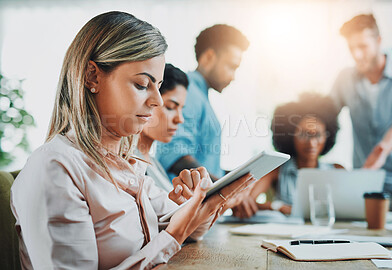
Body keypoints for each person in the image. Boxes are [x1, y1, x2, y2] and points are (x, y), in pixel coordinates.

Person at [10, 12, 254, 269]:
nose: (157, 101)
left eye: (158, 86)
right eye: (141, 84)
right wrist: (173, 236)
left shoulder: (128, 168)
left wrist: (203, 202)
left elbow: (194, 231)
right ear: (92, 77)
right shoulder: (55, 168)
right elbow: (177, 234)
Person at [156, 24, 250, 181]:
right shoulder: (189, 92)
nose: (233, 77)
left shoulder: (199, 95)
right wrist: (220, 186)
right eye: (231, 67)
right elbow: (174, 154)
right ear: (208, 57)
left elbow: (203, 163)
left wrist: (234, 179)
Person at [233, 93, 342, 217]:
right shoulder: (277, 170)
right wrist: (276, 207)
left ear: (327, 136)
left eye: (317, 135)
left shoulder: (337, 170)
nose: (311, 143)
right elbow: (245, 201)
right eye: (303, 134)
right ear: (290, 136)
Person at [330, 14, 392, 196]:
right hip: (365, 186)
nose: (356, 54)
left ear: (378, 41)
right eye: (351, 48)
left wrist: (383, 148)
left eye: (362, 46)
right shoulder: (345, 79)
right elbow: (326, 116)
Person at [137, 63, 188, 192]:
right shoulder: (130, 164)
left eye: (181, 109)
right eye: (170, 107)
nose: (180, 119)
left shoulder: (154, 164)